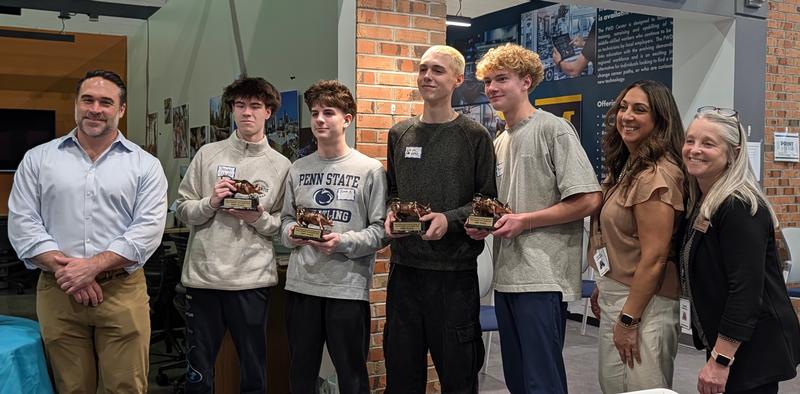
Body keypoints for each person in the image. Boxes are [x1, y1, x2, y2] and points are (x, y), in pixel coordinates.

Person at [8, 69, 168, 393]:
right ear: (76, 104)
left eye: (106, 102)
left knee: (125, 386)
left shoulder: (145, 165)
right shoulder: (38, 160)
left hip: (122, 291)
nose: (95, 108)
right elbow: (23, 222)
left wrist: (92, 267)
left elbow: (147, 230)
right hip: (58, 291)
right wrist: (67, 271)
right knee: (70, 387)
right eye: (88, 100)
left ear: (121, 109)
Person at [469, 43, 602, 393]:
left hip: (543, 278)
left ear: (526, 81)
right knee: (517, 380)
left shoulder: (553, 129)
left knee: (542, 382)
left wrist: (524, 221)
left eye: (502, 79)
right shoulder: (500, 141)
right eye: (487, 81)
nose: (492, 88)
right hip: (509, 276)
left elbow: (589, 199)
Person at [383, 45, 497, 393]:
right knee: (402, 378)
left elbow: (488, 201)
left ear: (458, 79)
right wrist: (391, 211)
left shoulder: (475, 136)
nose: (427, 76)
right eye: (422, 69)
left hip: (454, 278)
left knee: (459, 379)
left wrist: (450, 219)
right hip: (404, 274)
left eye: (438, 70)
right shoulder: (399, 134)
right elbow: (393, 190)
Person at [175, 76, 291, 393]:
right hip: (203, 278)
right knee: (198, 373)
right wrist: (209, 203)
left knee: (254, 371)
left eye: (255, 106)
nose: (247, 113)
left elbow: (282, 224)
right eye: (240, 105)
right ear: (231, 110)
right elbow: (182, 209)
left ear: (269, 112)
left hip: (251, 281)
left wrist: (257, 217)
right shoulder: (207, 155)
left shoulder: (281, 165)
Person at [680, 108, 800, 394]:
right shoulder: (705, 199)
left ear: (733, 152)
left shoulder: (738, 206)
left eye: (708, 143)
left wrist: (721, 360)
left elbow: (745, 291)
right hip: (733, 341)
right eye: (690, 140)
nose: (694, 150)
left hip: (752, 347)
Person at [280, 80, 387, 394]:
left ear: (347, 120)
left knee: (352, 377)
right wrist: (292, 234)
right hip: (301, 286)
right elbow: (285, 221)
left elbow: (381, 231)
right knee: (301, 374)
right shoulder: (297, 168)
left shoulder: (369, 170)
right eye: (314, 113)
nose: (320, 120)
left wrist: (344, 242)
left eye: (329, 112)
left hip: (347, 290)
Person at [588, 80, 685, 393]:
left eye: (639, 110)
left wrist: (629, 320)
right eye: (623, 107)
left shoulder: (656, 175)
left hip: (646, 307)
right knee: (615, 386)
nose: (626, 115)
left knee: (642, 388)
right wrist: (606, 285)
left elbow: (654, 258)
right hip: (623, 297)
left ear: (660, 120)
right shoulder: (631, 166)